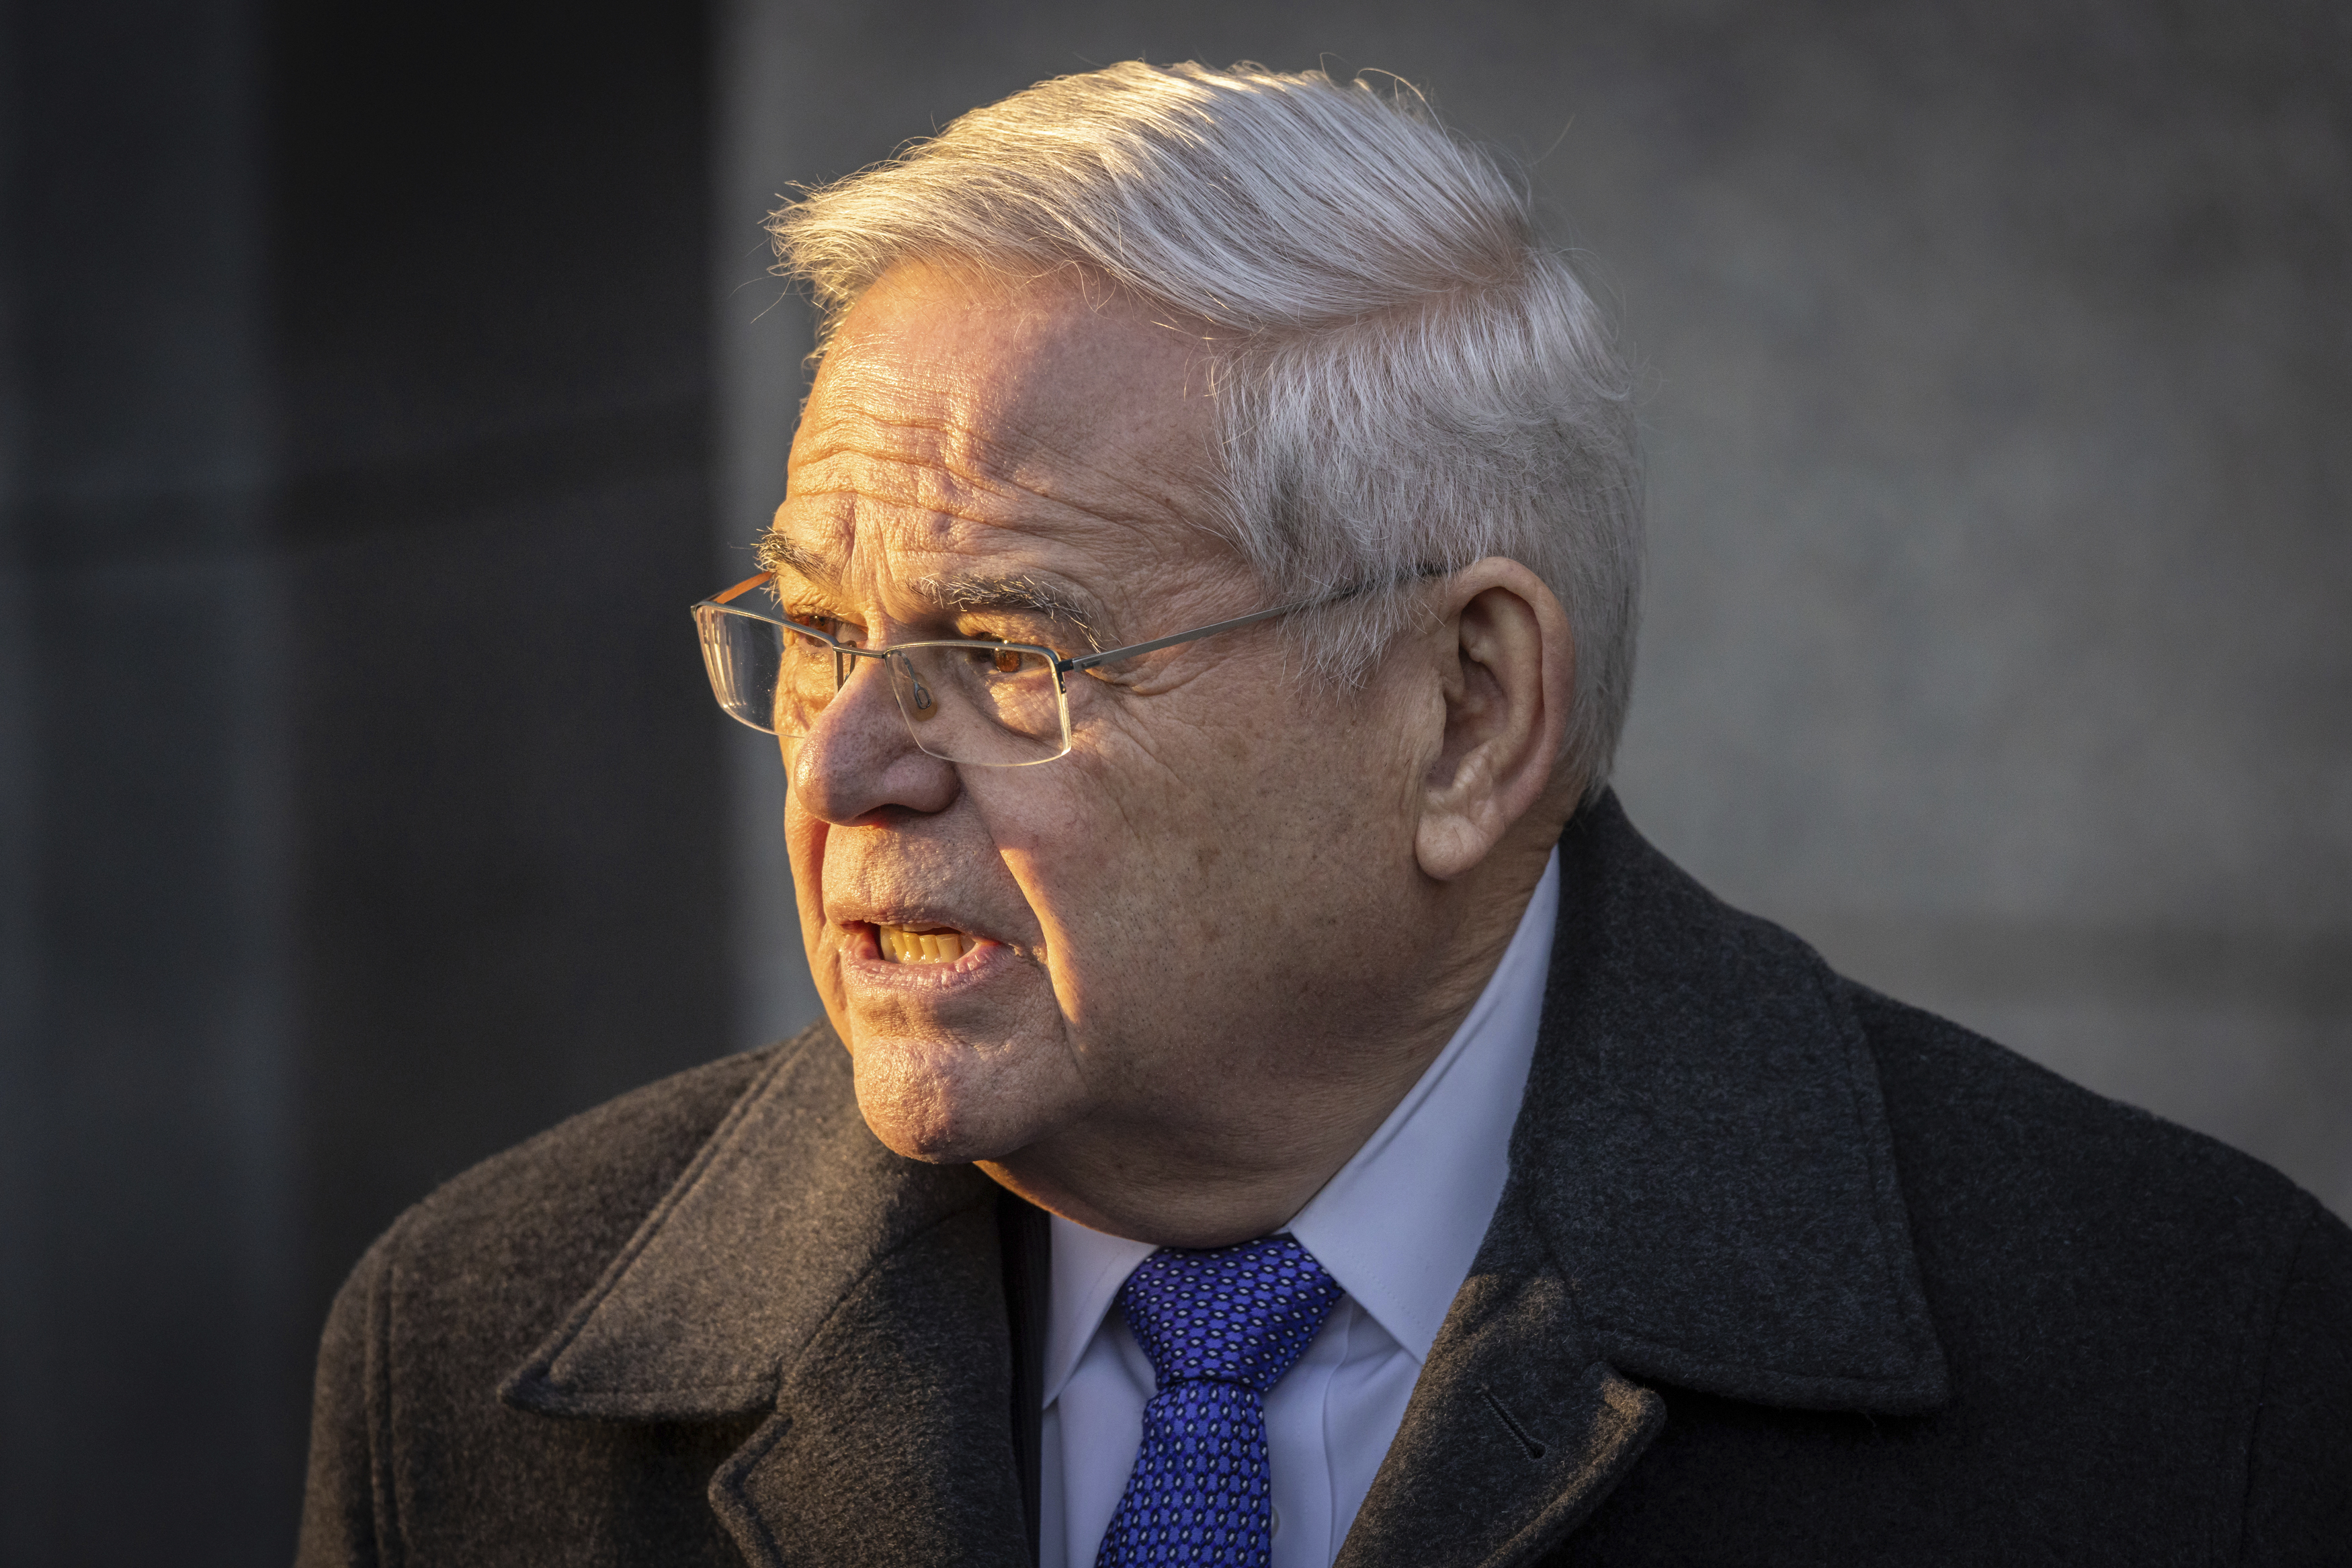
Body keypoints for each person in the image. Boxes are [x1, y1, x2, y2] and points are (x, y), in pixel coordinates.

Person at [296, 61, 2351, 1567]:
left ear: (1466, 714)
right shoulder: (472, 1345)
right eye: (818, 634)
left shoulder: (2188, 1365)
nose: (842, 770)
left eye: (1009, 650)